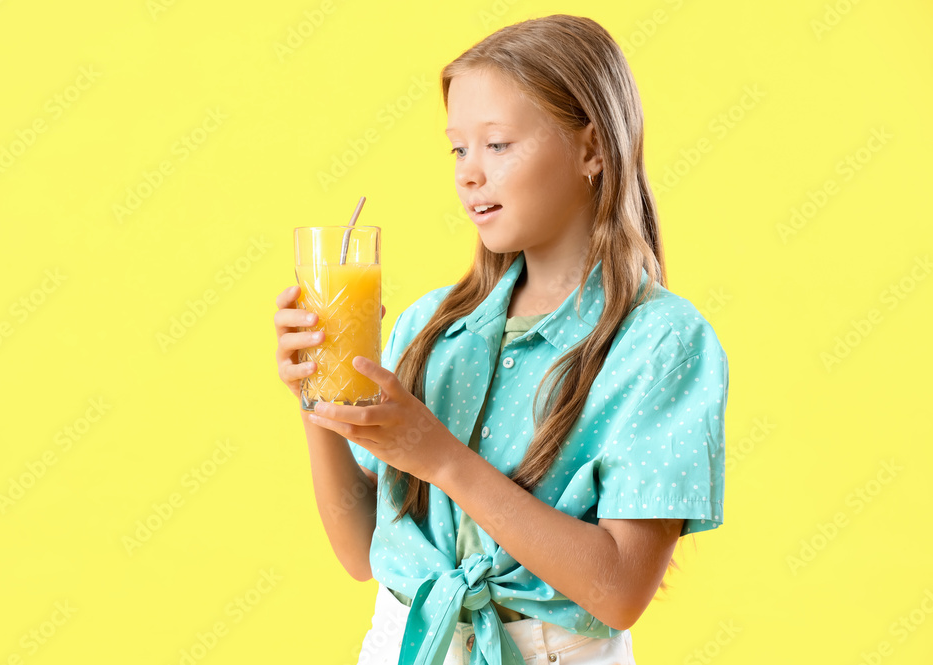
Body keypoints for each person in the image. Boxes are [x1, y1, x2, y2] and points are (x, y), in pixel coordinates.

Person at [274, 14, 729, 665]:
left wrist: (441, 458)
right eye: (458, 149)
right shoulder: (430, 326)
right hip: (403, 643)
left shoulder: (661, 343)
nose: (468, 173)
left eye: (497, 144)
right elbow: (359, 552)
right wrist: (317, 398)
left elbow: (621, 591)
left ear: (592, 149)